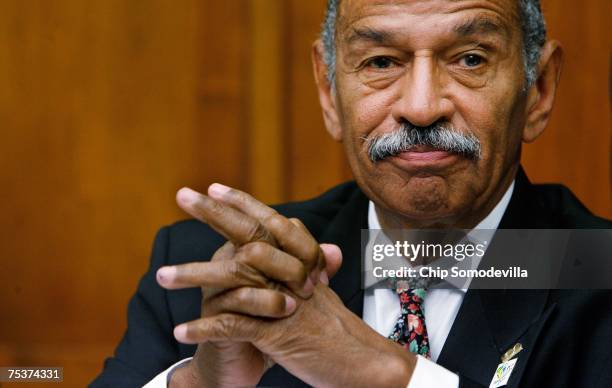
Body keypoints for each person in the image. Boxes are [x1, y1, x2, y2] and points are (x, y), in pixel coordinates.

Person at [91, 0, 612, 387]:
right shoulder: (209, 277)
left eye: (470, 59)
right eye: (382, 62)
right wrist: (202, 383)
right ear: (328, 90)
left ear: (538, 90)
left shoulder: (598, 276)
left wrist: (386, 373)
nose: (422, 106)